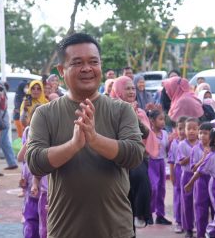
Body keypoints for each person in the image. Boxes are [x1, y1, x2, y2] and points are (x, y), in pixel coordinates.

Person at [26, 33, 145, 238]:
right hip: (65, 230)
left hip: (116, 230)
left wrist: (95, 140)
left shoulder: (122, 110)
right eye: (77, 63)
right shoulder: (45, 114)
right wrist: (73, 145)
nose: (87, 68)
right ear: (62, 71)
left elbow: (134, 155)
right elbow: (35, 162)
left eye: (93, 62)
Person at [110, 75, 156, 228]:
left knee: (143, 182)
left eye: (132, 88)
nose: (131, 91)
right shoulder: (111, 109)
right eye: (127, 88)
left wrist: (133, 115)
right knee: (124, 203)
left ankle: (140, 214)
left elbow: (146, 133)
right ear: (118, 91)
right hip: (117, 159)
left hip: (137, 156)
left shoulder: (140, 112)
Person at [190, 122, 215, 238]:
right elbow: (193, 168)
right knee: (201, 210)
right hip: (200, 181)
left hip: (214, 181)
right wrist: (203, 159)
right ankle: (201, 234)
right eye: (200, 133)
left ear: (212, 135)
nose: (202, 136)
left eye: (205, 133)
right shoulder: (195, 149)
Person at [148, 109, 172, 225]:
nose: (163, 122)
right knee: (153, 188)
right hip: (151, 163)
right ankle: (148, 213)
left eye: (164, 119)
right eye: (160, 119)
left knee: (161, 189)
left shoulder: (165, 134)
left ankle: (160, 215)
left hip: (161, 162)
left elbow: (167, 149)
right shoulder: (148, 133)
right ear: (152, 121)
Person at [177, 117, 199, 238]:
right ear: (184, 130)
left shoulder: (201, 144)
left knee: (200, 202)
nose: (191, 131)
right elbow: (181, 162)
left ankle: (200, 226)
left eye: (194, 129)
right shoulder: (181, 145)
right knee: (186, 202)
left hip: (199, 176)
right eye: (188, 128)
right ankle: (188, 229)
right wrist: (192, 155)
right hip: (187, 175)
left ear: (198, 130)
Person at [168, 116, 187, 234]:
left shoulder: (193, 144)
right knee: (178, 198)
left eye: (184, 128)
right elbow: (171, 161)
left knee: (189, 197)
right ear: (176, 129)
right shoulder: (174, 144)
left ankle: (189, 221)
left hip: (189, 172)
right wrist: (172, 175)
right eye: (180, 128)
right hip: (178, 171)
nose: (182, 131)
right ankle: (179, 222)